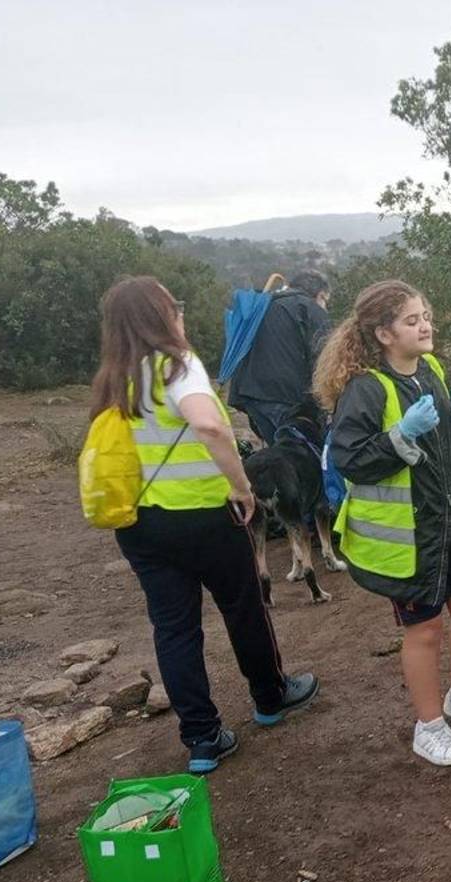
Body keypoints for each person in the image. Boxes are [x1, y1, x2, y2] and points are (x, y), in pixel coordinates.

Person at [91, 276, 319, 775]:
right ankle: (270, 697)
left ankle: (202, 738)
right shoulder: (178, 365)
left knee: (174, 629)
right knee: (244, 609)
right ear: (161, 314)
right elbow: (210, 424)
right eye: (176, 303)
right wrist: (241, 486)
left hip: (140, 524)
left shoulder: (115, 378)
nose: (181, 311)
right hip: (203, 517)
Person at [321, 280, 451, 767]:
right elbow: (347, 459)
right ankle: (428, 727)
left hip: (450, 521)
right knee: (424, 629)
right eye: (412, 320)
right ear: (383, 333)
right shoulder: (366, 388)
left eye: (425, 315)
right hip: (406, 536)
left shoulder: (430, 369)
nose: (426, 325)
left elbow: (446, 445)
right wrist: (398, 435)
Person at [228, 269, 334, 444]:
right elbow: (323, 358)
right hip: (287, 398)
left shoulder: (261, 305)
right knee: (302, 455)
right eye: (326, 301)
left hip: (250, 395)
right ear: (321, 295)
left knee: (279, 452)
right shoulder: (309, 308)